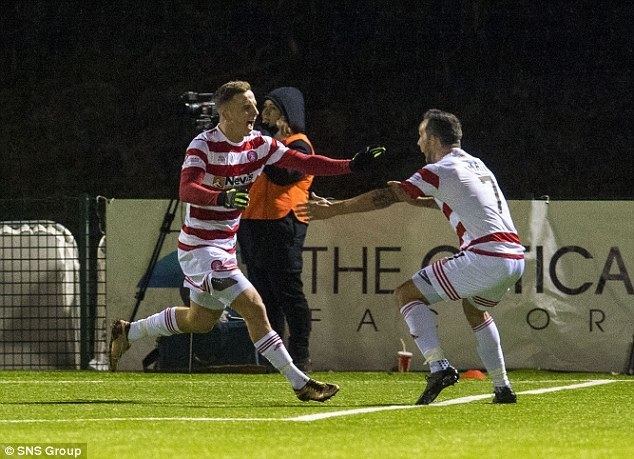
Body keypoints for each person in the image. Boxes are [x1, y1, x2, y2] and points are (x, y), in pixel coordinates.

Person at [109, 80, 384, 403]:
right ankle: (300, 383)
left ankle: (130, 331)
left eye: (254, 105)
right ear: (224, 111)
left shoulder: (259, 144)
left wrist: (350, 165)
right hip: (199, 248)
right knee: (254, 306)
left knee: (199, 321)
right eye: (246, 106)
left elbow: (305, 162)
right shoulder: (203, 145)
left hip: (225, 247)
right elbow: (187, 189)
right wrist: (221, 196)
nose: (254, 111)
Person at [300, 109, 524, 404]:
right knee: (475, 311)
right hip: (514, 258)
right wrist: (418, 202)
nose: (419, 144)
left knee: (407, 294)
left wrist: (333, 209)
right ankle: (503, 387)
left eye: (421, 136)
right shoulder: (476, 165)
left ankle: (438, 367)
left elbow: (385, 197)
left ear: (432, 138)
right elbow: (458, 201)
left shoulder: (440, 169)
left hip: (486, 255)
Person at [237, 87, 314, 372]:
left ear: (286, 112)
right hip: (254, 222)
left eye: (270, 108)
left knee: (288, 293)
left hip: (283, 222)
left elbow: (284, 175)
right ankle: (277, 360)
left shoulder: (299, 145)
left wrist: (262, 146)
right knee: (265, 296)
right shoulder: (266, 143)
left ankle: (300, 355)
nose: (263, 114)